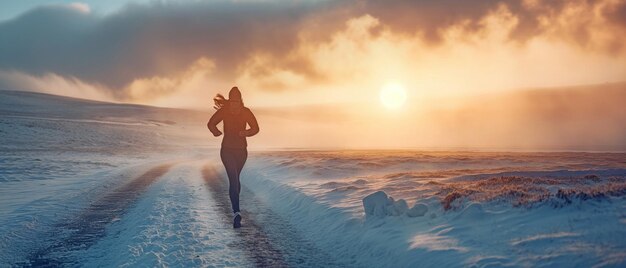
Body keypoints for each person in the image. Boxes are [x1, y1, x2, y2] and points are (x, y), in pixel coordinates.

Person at [207, 87, 259, 228]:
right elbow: (210, 123)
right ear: (229, 101)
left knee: (236, 179)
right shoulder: (224, 111)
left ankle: (236, 208)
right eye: (232, 101)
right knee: (233, 179)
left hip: (242, 151)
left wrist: (246, 133)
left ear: (240, 100)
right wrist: (215, 131)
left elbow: (256, 128)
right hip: (227, 151)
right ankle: (236, 212)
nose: (234, 104)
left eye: (237, 101)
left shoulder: (246, 112)